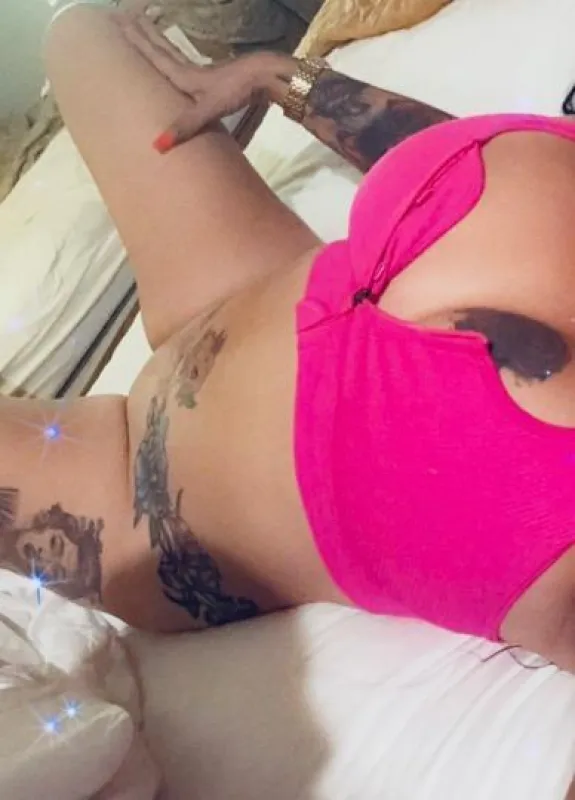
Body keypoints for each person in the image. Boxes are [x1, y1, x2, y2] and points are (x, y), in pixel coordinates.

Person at [3, 2, 575, 672]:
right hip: (244, 283)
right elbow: (445, 178)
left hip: (143, 493)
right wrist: (282, 78)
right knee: (79, 31)